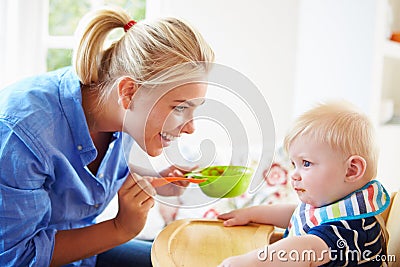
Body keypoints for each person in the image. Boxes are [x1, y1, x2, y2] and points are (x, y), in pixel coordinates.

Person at [0, 5, 214, 267]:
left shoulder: (127, 118)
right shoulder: (21, 134)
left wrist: (159, 182)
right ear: (129, 92)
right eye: (180, 107)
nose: (191, 128)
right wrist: (121, 228)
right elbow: (15, 258)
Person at [217, 101, 390, 266]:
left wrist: (252, 262)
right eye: (294, 164)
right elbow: (297, 215)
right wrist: (252, 214)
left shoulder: (353, 230)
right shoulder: (332, 205)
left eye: (306, 163)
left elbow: (306, 248)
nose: (294, 175)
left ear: (351, 170)